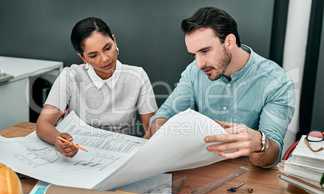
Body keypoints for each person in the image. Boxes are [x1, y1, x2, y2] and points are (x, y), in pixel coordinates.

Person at [149, 7, 295, 167]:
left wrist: (260, 144)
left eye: (205, 51)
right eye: (194, 54)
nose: (199, 64)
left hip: (246, 175)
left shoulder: (276, 81)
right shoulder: (194, 71)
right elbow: (163, 116)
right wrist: (161, 128)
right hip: (199, 168)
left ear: (229, 42)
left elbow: (272, 156)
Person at [36, 17, 157, 157]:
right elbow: (43, 124)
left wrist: (142, 152)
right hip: (79, 152)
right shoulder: (70, 76)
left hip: (119, 154)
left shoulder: (137, 76)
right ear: (83, 57)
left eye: (108, 48)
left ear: (114, 40)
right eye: (93, 55)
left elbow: (151, 127)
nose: (105, 59)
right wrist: (59, 140)